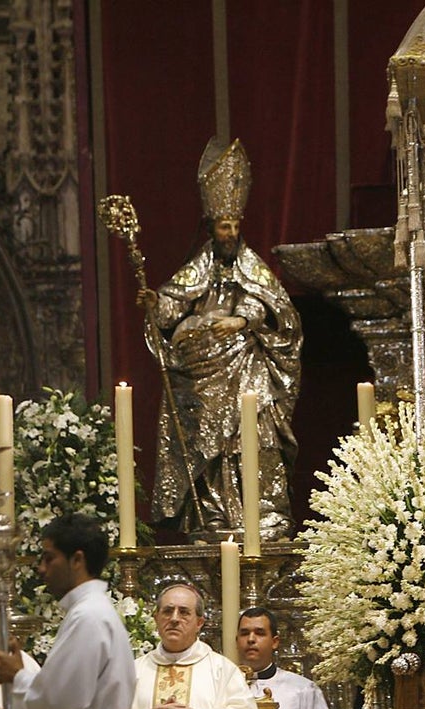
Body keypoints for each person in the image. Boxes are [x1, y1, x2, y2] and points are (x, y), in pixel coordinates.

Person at [137, 136, 302, 541]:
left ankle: (262, 511)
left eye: (235, 225)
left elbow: (275, 307)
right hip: (205, 374)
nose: (230, 233)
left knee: (255, 435)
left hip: (246, 364)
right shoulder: (199, 266)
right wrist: (156, 304)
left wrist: (242, 321)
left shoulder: (251, 267)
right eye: (224, 226)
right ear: (211, 227)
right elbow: (174, 305)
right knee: (209, 443)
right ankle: (213, 513)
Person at [0, 514, 137, 709]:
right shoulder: (90, 611)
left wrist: (17, 676)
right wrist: (21, 675)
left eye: (49, 558)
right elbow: (69, 691)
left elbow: (63, 702)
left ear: (77, 560)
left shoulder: (88, 616)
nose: (41, 568)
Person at [122, 583, 259, 709]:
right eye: (167, 611)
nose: (174, 619)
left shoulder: (222, 670)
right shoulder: (132, 671)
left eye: (184, 612)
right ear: (156, 618)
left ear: (199, 623)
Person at [236, 607, 333, 709]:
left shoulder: (303, 689)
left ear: (275, 642)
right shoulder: (220, 687)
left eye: (260, 633)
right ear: (237, 641)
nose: (251, 639)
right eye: (245, 633)